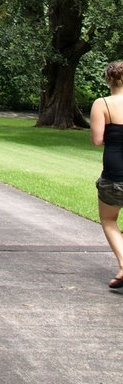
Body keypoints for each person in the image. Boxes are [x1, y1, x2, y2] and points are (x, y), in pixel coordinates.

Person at [90, 60, 123, 288]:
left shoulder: (102, 104)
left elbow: (97, 140)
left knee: (109, 219)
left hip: (114, 173)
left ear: (108, 79)